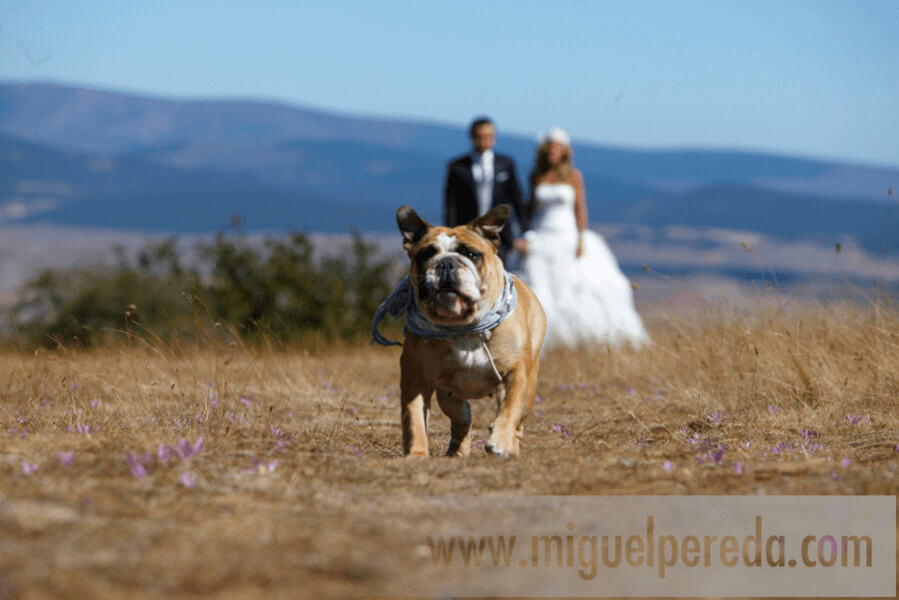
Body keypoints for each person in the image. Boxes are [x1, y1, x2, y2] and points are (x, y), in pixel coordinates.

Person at [510, 127, 649, 349]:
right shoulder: (536, 176)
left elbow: (580, 208)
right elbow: (530, 209)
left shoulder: (574, 176)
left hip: (567, 235)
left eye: (557, 148)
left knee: (576, 286)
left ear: (564, 151)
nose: (553, 152)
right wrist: (522, 235)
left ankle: (579, 339)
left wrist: (581, 238)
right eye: (549, 148)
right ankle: (541, 338)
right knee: (539, 285)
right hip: (542, 234)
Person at [444, 117, 526, 264]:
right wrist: (451, 233)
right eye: (481, 137)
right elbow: (451, 205)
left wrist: (524, 232)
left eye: (489, 137)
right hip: (468, 233)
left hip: (500, 236)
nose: (485, 141)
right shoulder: (457, 167)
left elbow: (517, 200)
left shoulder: (506, 164)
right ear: (473, 138)